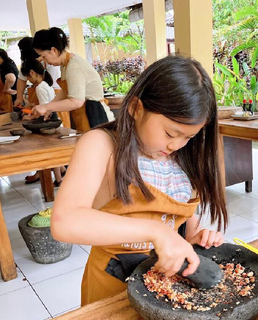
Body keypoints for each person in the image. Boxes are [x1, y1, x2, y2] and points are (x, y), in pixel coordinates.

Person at [51, 55, 228, 305]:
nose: (176, 145)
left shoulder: (181, 156)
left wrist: (192, 240)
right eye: (170, 132)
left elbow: (181, 215)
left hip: (165, 287)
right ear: (136, 108)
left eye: (187, 137)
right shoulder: (101, 145)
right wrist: (156, 232)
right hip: (112, 287)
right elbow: (64, 222)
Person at [31, 27, 114, 131]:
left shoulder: (74, 66)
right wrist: (48, 107)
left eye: (43, 56)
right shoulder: (65, 64)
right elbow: (66, 92)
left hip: (95, 115)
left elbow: (76, 102)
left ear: (54, 50)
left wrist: (47, 107)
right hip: (85, 115)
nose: (44, 61)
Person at [20, 59, 66, 186]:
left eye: (28, 77)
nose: (28, 81)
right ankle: (62, 171)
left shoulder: (40, 88)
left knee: (53, 155)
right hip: (54, 120)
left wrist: (30, 118)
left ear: (32, 73)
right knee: (55, 153)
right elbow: (45, 105)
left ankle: (59, 180)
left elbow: (45, 111)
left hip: (50, 123)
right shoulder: (45, 84)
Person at [0, 44, 18, 112]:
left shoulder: (6, 65)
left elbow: (11, 78)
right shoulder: (3, 63)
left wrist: (7, 89)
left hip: (11, 100)